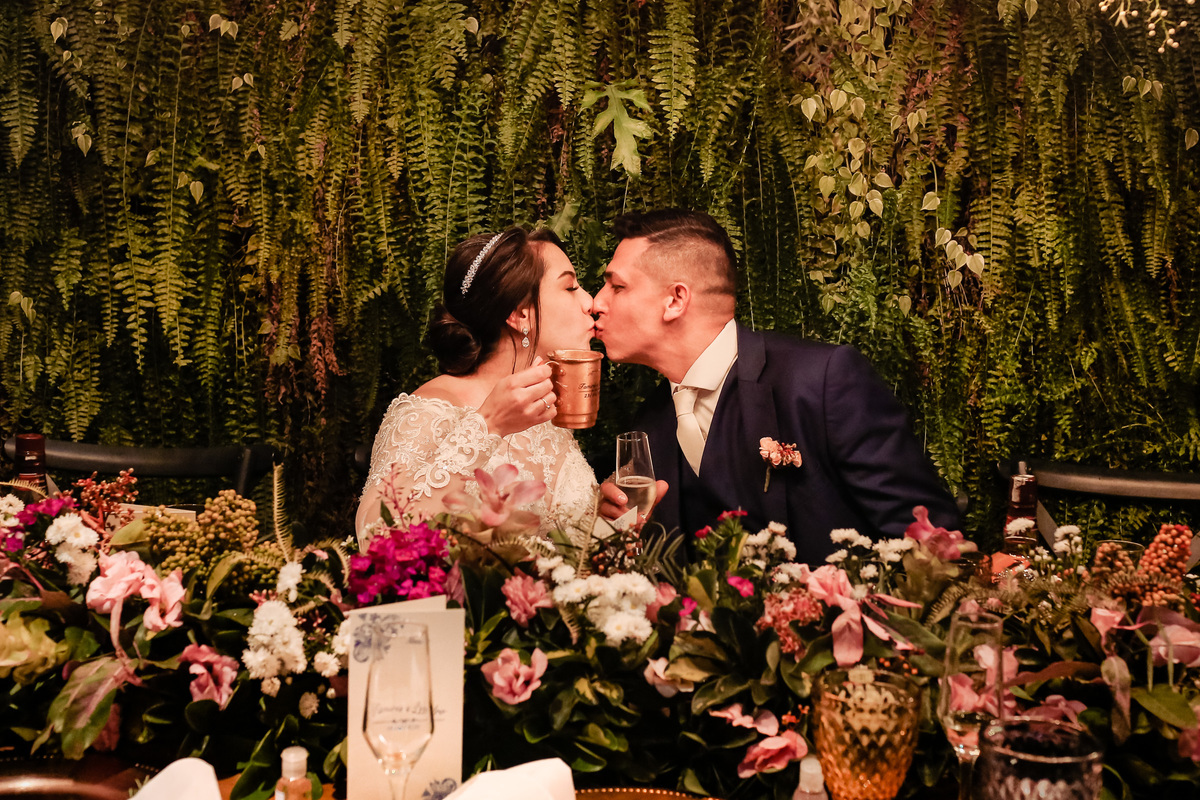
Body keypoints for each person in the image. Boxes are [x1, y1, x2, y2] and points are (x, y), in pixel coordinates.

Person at [593, 210, 961, 564]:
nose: (597, 303)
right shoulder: (647, 428)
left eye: (617, 286)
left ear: (675, 300)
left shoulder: (821, 382)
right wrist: (615, 529)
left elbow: (932, 541)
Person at [356, 227, 599, 542]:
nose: (589, 301)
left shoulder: (543, 414)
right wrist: (488, 426)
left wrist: (603, 523)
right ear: (519, 313)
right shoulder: (429, 411)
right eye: (570, 287)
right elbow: (374, 538)